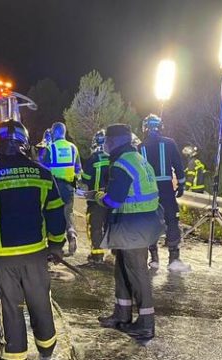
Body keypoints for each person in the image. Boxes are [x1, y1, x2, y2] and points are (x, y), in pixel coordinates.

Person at [0, 119, 66, 360]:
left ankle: (14, 358)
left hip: (2, 255)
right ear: (24, 144)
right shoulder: (42, 173)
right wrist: (56, 245)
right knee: (40, 299)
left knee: (9, 305)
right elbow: (55, 212)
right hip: (36, 253)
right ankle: (46, 345)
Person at [87, 124, 163, 341]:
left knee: (137, 272)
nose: (106, 145)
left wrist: (96, 196)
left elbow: (113, 199)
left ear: (115, 141)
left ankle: (146, 323)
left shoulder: (121, 164)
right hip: (140, 222)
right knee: (121, 269)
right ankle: (121, 314)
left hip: (134, 224)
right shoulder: (136, 158)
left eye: (108, 141)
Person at [139, 114, 190, 272]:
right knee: (171, 221)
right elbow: (179, 167)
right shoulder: (169, 143)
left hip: (148, 190)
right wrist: (181, 185)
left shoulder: (140, 147)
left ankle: (153, 259)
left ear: (145, 128)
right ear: (160, 127)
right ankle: (173, 259)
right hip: (166, 189)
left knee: (149, 222)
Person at [41, 122, 81, 256]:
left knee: (53, 215)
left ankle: (54, 247)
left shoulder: (50, 148)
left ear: (55, 132)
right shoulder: (73, 148)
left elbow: (43, 169)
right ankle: (71, 234)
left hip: (54, 187)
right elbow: (78, 169)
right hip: (69, 187)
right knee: (68, 214)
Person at [80, 129, 110, 264]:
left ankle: (97, 255)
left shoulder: (93, 159)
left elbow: (85, 179)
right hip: (112, 198)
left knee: (95, 226)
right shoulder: (112, 157)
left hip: (95, 199)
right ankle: (115, 251)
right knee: (110, 224)